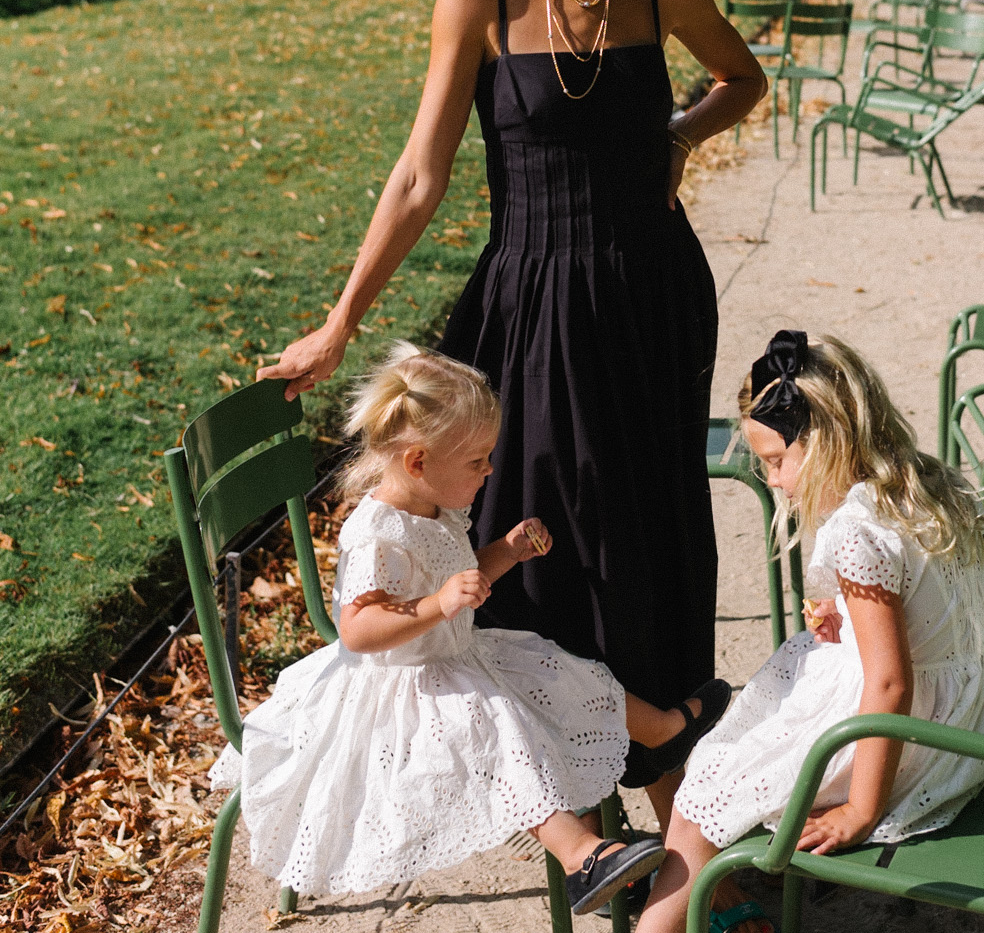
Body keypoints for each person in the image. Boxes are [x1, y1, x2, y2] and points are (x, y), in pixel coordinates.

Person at [260, 0, 765, 828]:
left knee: (648, 526)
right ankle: (574, 791)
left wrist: (678, 134)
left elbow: (742, 78)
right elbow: (418, 174)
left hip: (651, 295)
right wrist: (342, 320)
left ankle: (675, 784)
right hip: (530, 299)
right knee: (529, 527)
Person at [508, 331, 984, 933]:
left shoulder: (855, 529)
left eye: (779, 460)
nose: (775, 481)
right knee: (726, 762)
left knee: (703, 794)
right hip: (968, 713)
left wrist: (862, 809)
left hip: (906, 736)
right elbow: (938, 615)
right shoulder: (921, 481)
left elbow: (888, 687)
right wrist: (846, 621)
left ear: (829, 437)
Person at [210, 345, 730, 901]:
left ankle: (661, 729)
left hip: (454, 657)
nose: (489, 470)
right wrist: (437, 605)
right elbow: (357, 630)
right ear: (417, 461)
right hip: (400, 688)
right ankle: (582, 855)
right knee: (505, 733)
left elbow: (457, 571)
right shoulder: (376, 533)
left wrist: (506, 551)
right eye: (477, 461)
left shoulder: (433, 503)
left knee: (561, 669)